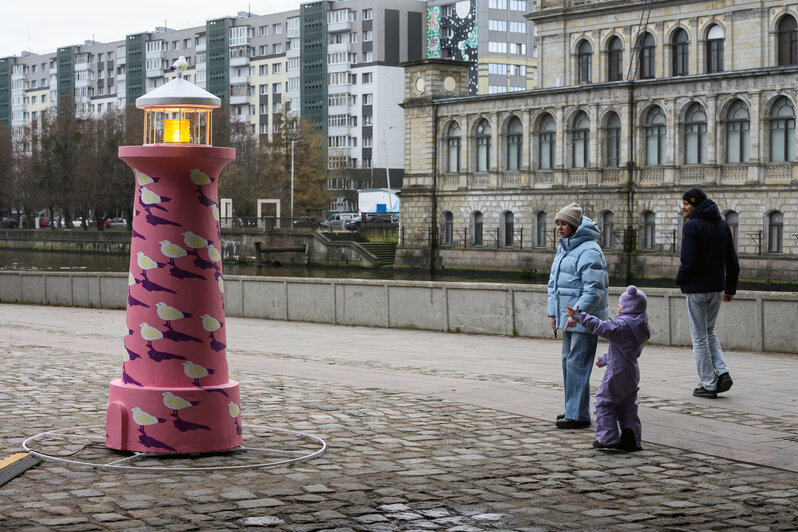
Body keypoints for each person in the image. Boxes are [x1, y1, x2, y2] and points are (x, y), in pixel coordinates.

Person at [547, 203, 609, 429]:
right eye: (558, 224)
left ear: (574, 225)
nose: (559, 228)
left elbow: (594, 288)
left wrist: (578, 313)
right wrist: (554, 313)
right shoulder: (564, 247)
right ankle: (573, 410)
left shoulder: (589, 250)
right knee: (569, 364)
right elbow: (553, 283)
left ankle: (578, 415)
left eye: (563, 224)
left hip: (583, 318)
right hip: (569, 317)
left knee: (578, 364)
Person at [566, 286, 650, 452]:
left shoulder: (622, 326)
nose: (618, 307)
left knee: (604, 403)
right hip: (631, 372)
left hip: (617, 372)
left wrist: (579, 315)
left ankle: (608, 439)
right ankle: (632, 439)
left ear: (629, 307)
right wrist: (603, 360)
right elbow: (624, 349)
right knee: (628, 407)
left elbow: (600, 327)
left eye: (620, 305)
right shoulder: (639, 327)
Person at [676, 187, 740, 399]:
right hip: (717, 288)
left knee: (699, 336)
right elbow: (732, 261)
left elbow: (689, 262)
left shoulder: (692, 226)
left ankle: (709, 383)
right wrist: (730, 288)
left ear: (694, 204)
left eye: (685, 203)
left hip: (697, 289)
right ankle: (722, 372)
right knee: (709, 331)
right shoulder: (722, 225)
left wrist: (679, 280)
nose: (683, 207)